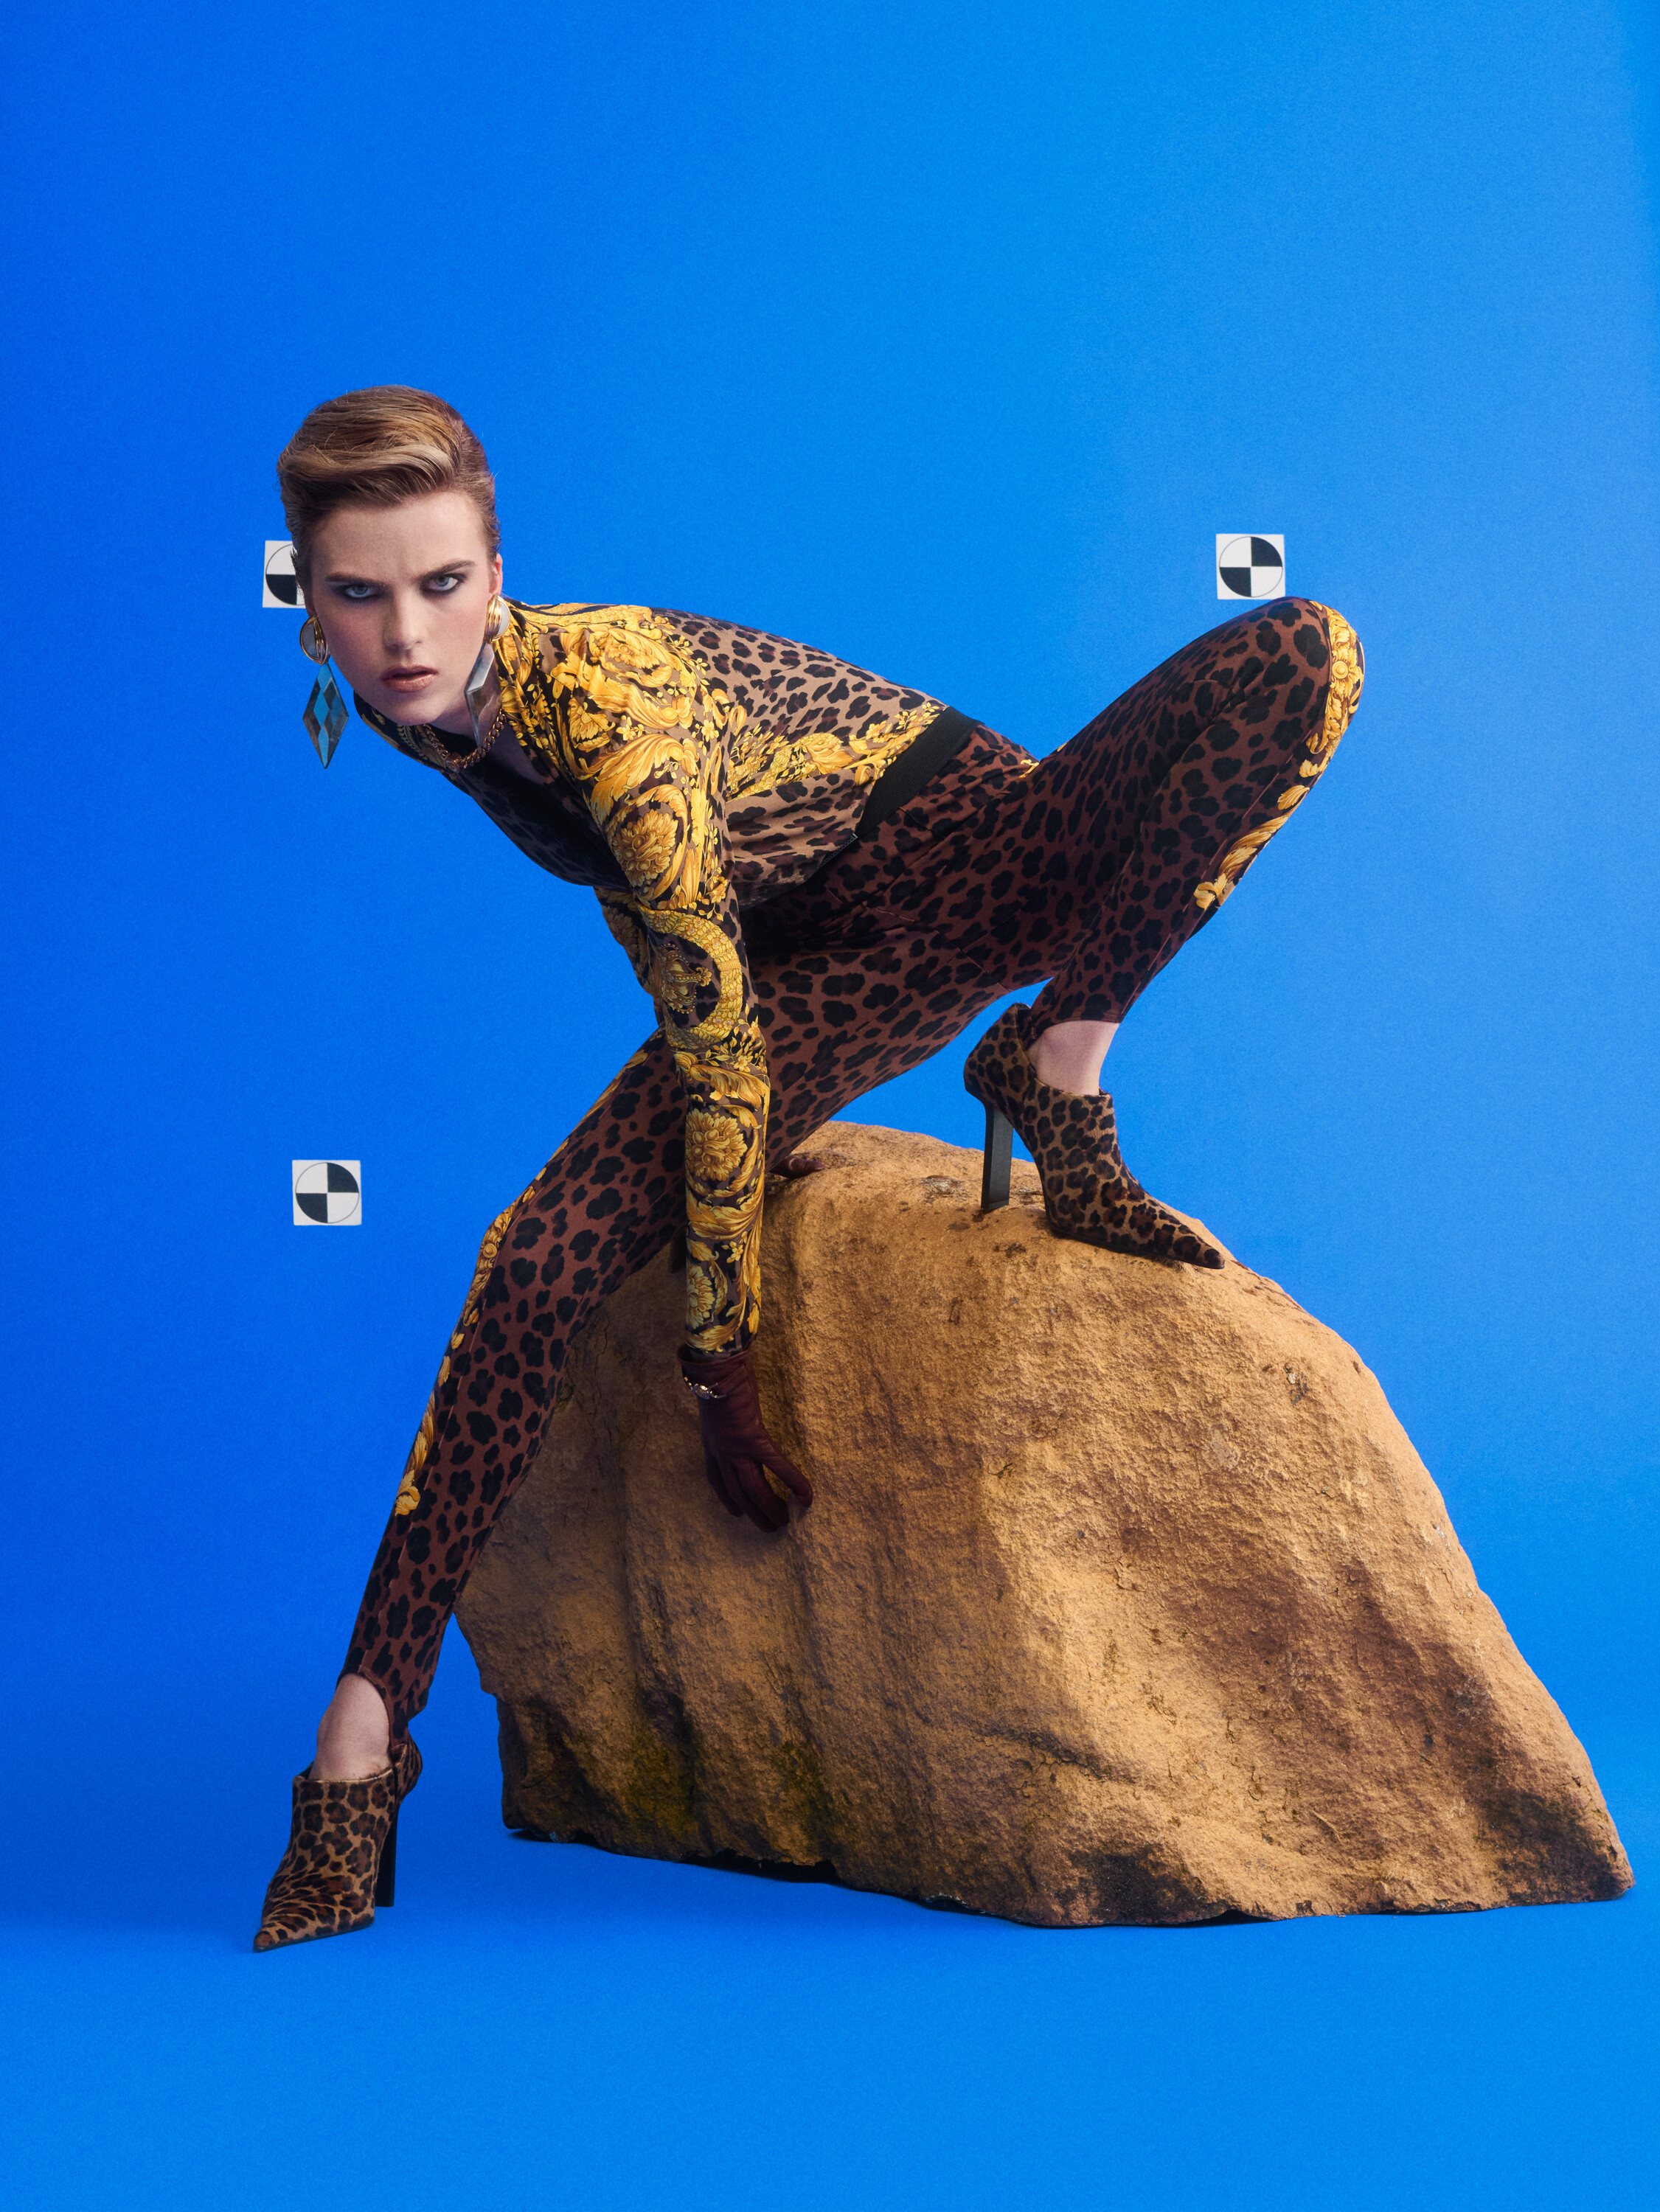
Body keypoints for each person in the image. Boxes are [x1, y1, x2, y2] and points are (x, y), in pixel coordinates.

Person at [254, 386, 1364, 1950]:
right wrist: (703, 1115)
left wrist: (721, 1359)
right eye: (360, 595)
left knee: (1301, 649)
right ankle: (359, 1742)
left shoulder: (610, 720)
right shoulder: (403, 703)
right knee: (537, 1260)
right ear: (309, 606)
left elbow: (706, 1022)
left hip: (982, 862)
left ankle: (1058, 1068)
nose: (406, 633)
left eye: (443, 584)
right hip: (818, 962)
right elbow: (661, 936)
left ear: (497, 575)